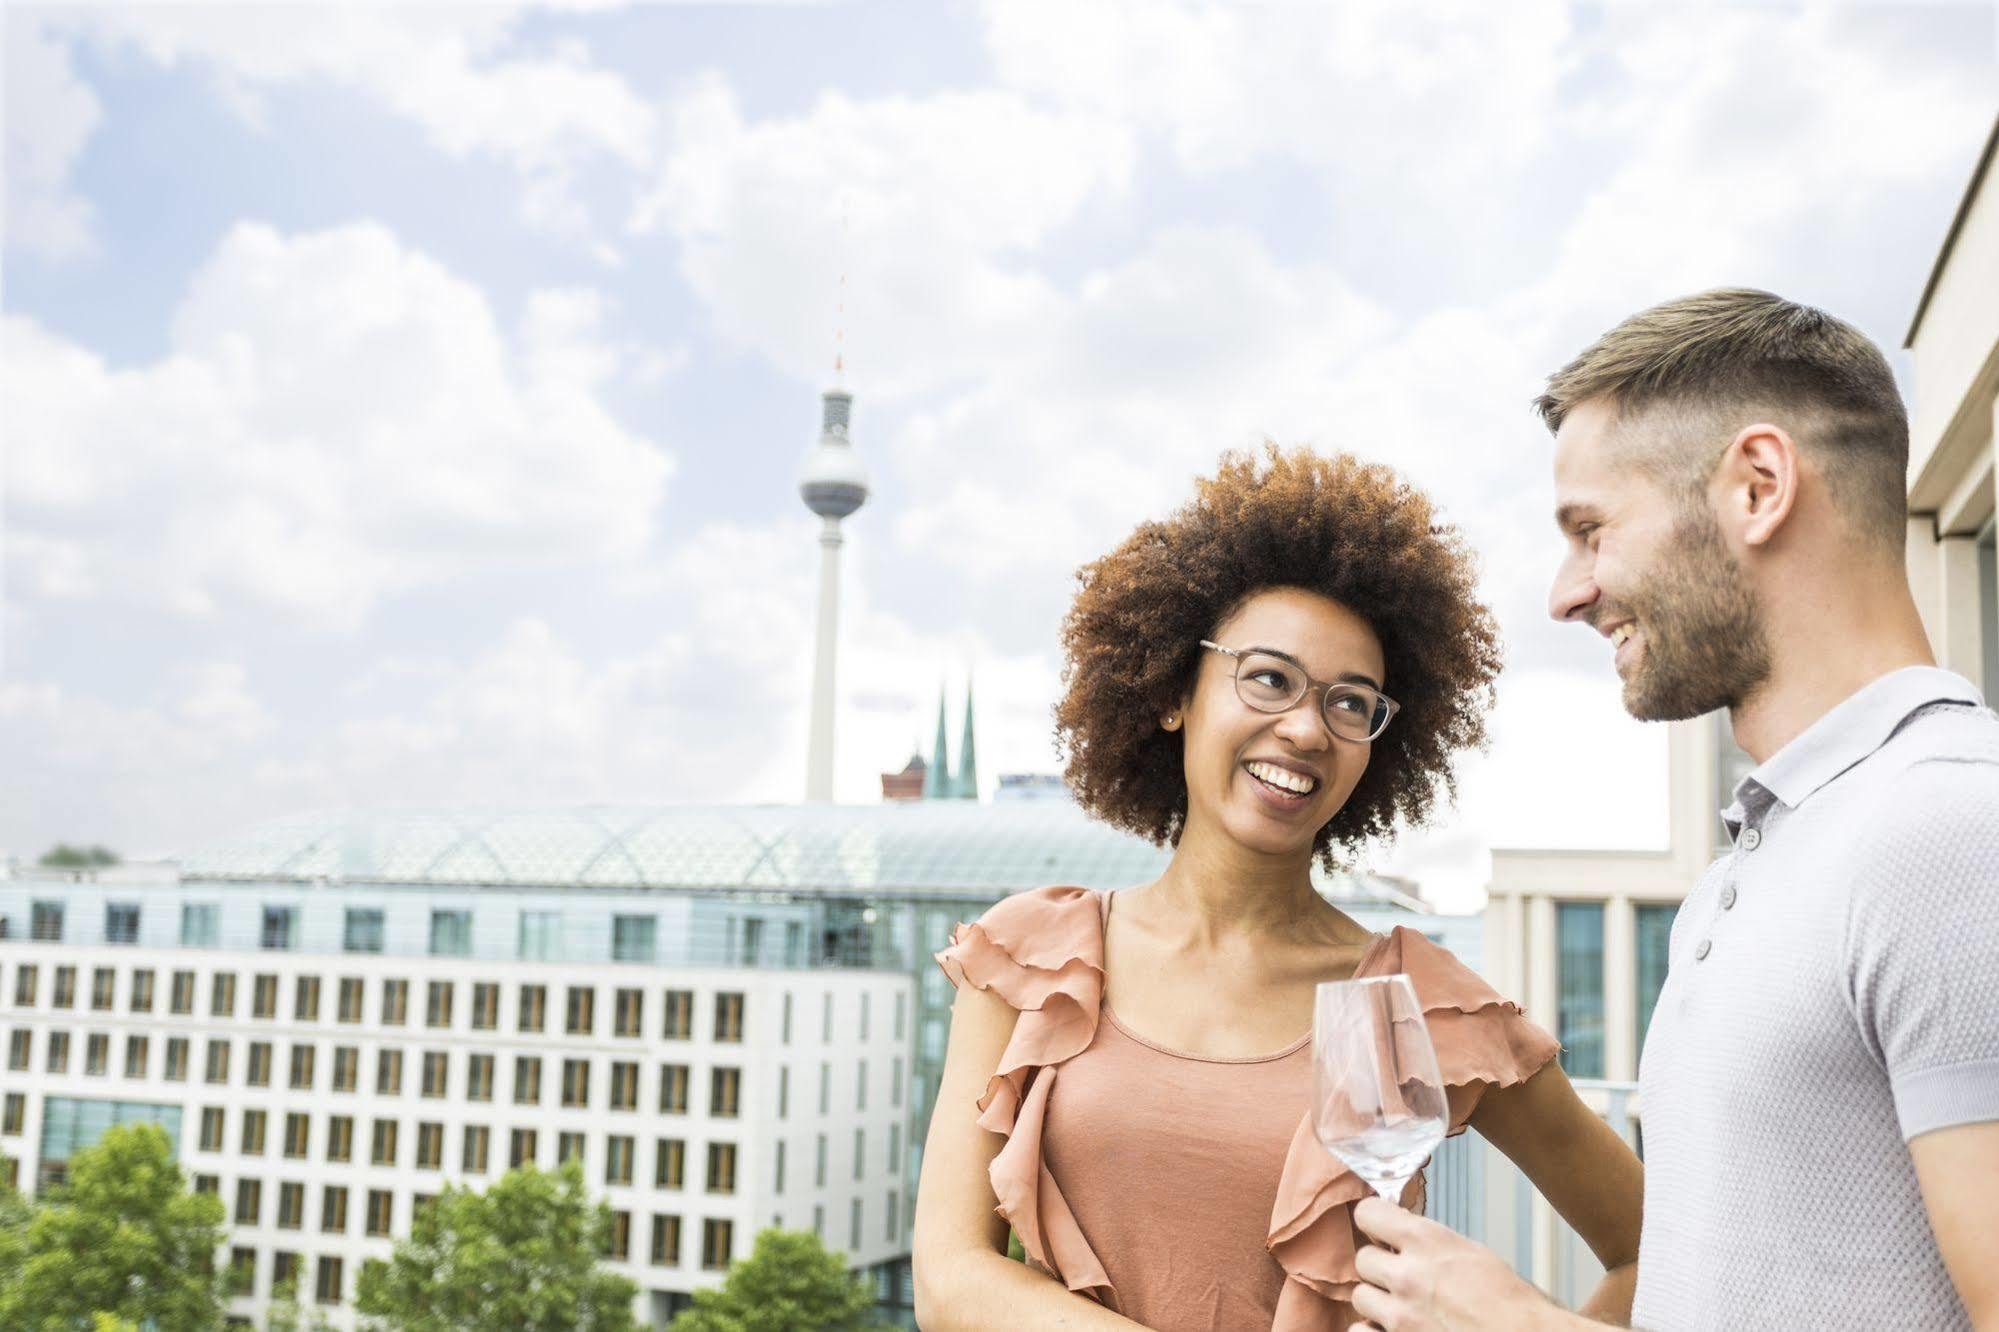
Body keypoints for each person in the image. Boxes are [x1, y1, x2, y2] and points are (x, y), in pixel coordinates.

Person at [1348, 289, 1999, 1331]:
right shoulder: (1755, 865)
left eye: (1590, 529)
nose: (1567, 593)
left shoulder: (1951, 834)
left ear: (1756, 487)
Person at [912, 447, 1645, 1331]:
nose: (1304, 727)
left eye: (1350, 703)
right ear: (1174, 691)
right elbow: (950, 1279)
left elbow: (1652, 1249)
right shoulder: (1032, 955)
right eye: (1267, 678)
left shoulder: (1411, 1000)